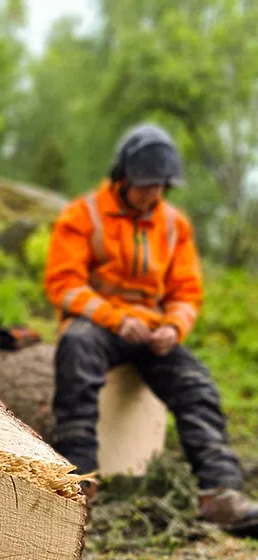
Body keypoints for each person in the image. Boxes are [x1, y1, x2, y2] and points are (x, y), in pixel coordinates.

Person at [44, 122, 258, 534]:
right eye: (145, 185)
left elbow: (186, 292)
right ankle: (77, 481)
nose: (153, 194)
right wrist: (116, 319)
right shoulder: (81, 216)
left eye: (160, 186)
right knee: (76, 348)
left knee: (197, 386)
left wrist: (174, 328)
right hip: (98, 325)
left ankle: (220, 494)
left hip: (152, 332)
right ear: (122, 176)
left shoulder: (175, 225)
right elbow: (63, 285)